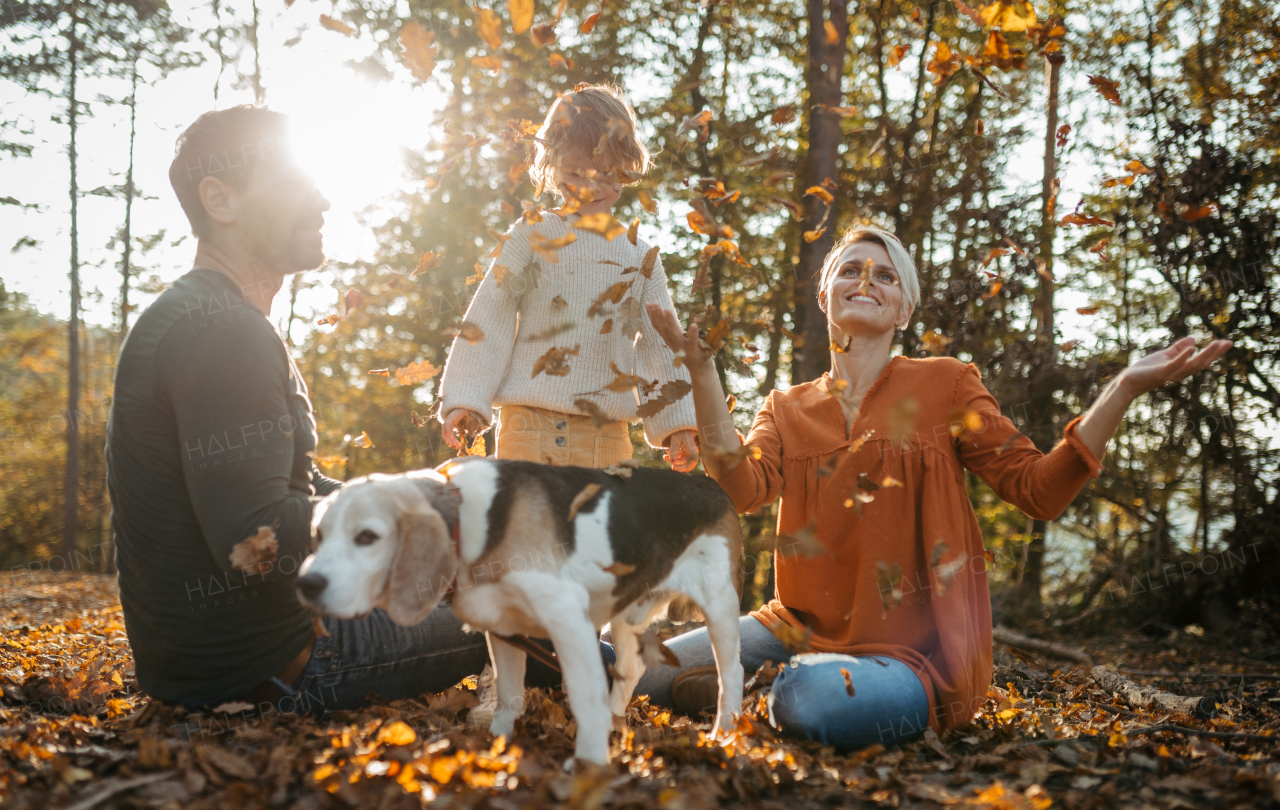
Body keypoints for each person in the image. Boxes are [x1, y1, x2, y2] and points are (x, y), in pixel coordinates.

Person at [640, 224, 1231, 749]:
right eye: (850, 269)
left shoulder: (947, 384)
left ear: (903, 309)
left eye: (886, 276)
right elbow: (741, 487)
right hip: (790, 629)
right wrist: (702, 372)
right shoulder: (787, 406)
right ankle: (730, 688)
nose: (865, 280)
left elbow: (1039, 491)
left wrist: (1121, 388)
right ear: (826, 296)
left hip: (913, 658)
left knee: (809, 697)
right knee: (631, 667)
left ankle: (747, 694)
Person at [106, 106, 565, 715]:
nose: (321, 200)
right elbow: (255, 537)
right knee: (552, 611)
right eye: (294, 184)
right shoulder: (222, 334)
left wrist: (429, 498)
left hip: (226, 666)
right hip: (283, 667)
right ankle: (724, 657)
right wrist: (430, 524)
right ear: (220, 199)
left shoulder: (211, 320)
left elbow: (301, 490)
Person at [437, 84, 698, 472]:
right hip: (526, 426)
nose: (591, 187)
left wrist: (679, 425)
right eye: (576, 172)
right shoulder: (532, 233)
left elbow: (661, 345)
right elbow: (491, 314)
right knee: (526, 528)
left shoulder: (639, 256)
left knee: (598, 532)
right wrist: (466, 399)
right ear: (552, 166)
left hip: (605, 435)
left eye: (605, 173)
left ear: (627, 167)